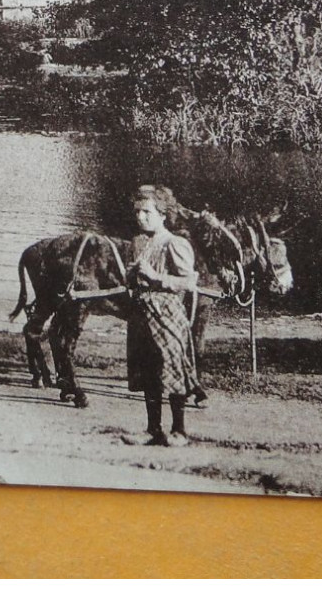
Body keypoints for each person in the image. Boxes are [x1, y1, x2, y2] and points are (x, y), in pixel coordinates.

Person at [123, 184, 199, 447]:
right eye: (137, 211)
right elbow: (132, 280)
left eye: (146, 212)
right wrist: (132, 276)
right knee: (146, 370)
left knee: (172, 368)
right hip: (141, 313)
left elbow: (189, 282)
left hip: (167, 314)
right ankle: (152, 429)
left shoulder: (175, 243)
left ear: (163, 214)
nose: (140, 217)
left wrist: (155, 277)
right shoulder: (139, 244)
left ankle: (179, 430)